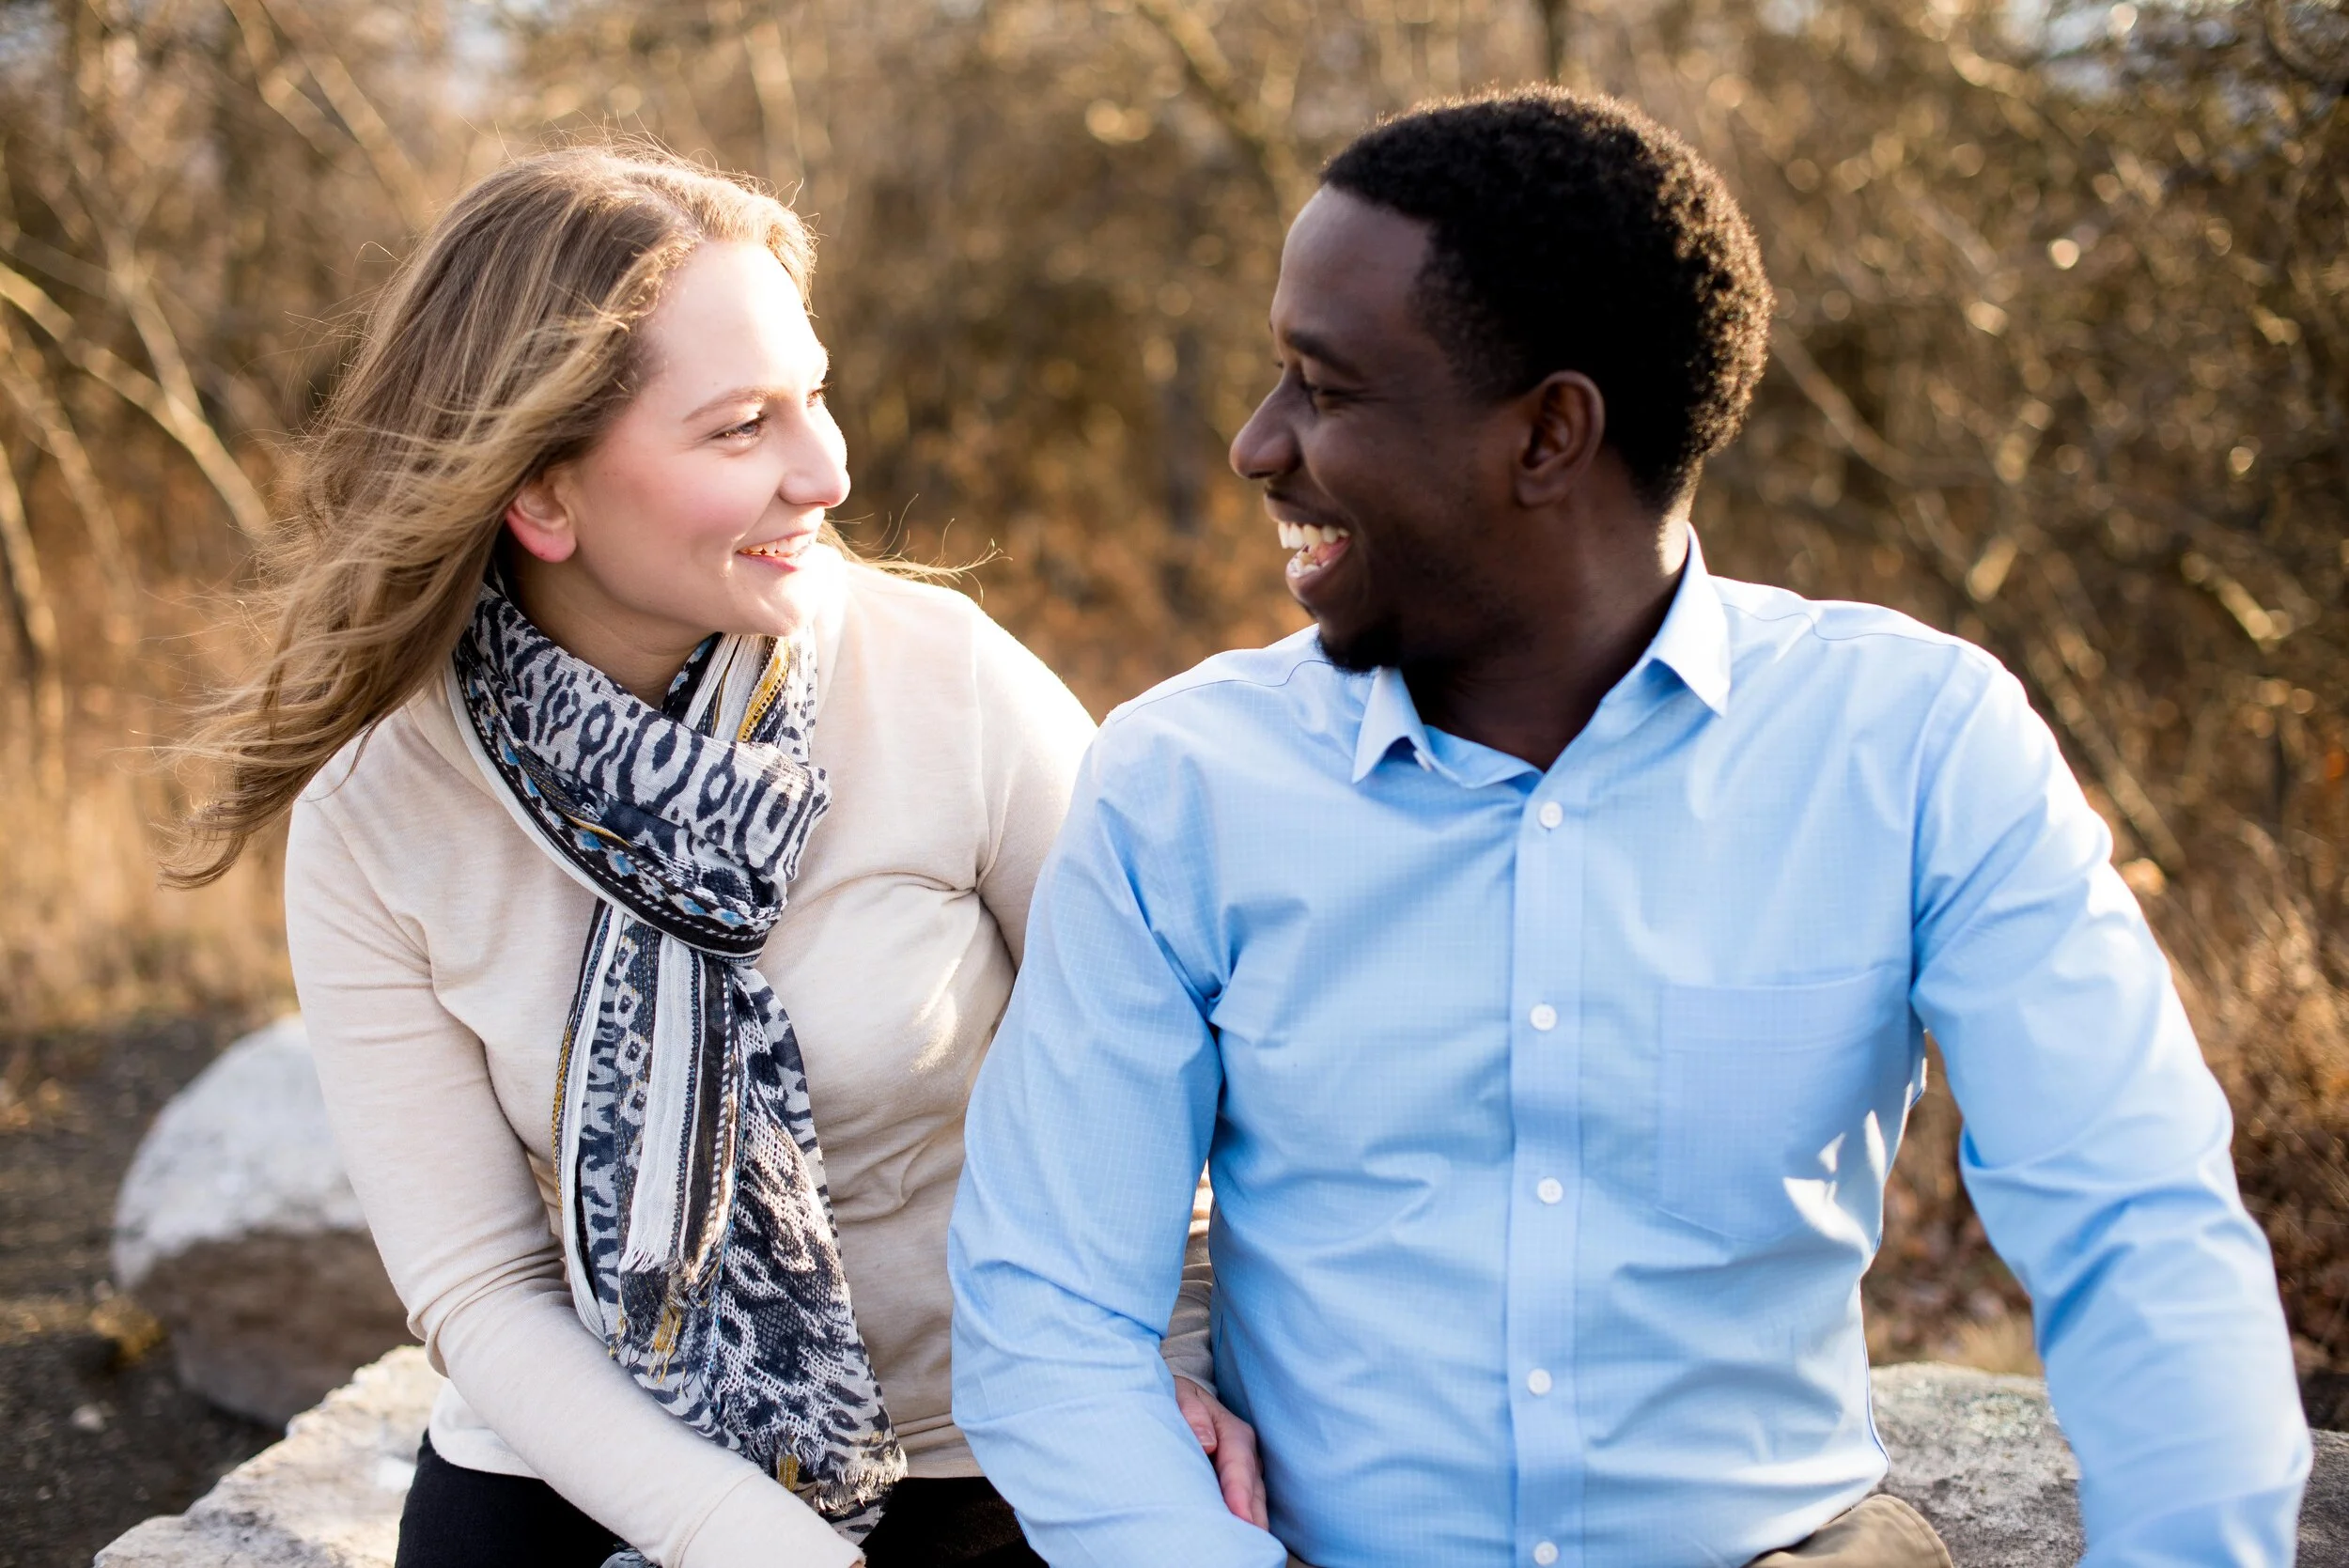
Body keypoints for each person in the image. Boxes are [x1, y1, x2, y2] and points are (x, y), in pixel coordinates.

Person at [947, 87, 2309, 1567]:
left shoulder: (1919, 747)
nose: (1255, 446)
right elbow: (1052, 1313)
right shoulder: (1183, 781)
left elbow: (2141, 1237)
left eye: (1324, 391)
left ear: (1550, 436)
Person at [170, 147, 1260, 1568]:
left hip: (995, 1438)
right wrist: (744, 1539)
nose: (829, 470)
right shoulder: (380, 815)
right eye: (743, 426)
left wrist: (1160, 1372)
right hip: (597, 1462)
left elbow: (1169, 1087)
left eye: (814, 396)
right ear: (543, 496)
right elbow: (483, 1285)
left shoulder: (944, 683)